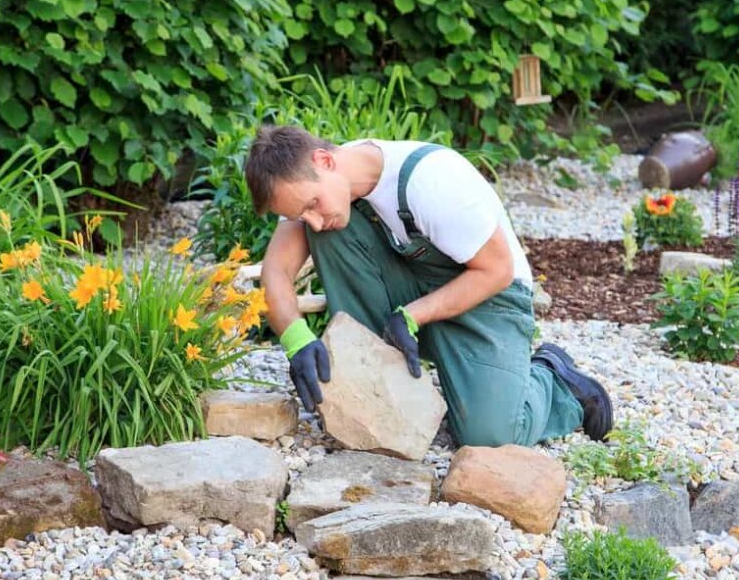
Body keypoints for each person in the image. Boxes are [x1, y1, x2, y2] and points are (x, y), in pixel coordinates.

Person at [244, 125, 613, 447]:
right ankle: (378, 379)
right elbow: (276, 270)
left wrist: (413, 316)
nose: (313, 220)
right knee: (329, 230)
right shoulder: (315, 188)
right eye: (300, 214)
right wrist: (296, 340)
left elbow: (497, 270)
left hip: (488, 299)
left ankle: (554, 381)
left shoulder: (432, 182)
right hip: (413, 295)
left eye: (312, 204)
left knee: (489, 435)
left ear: (324, 161)